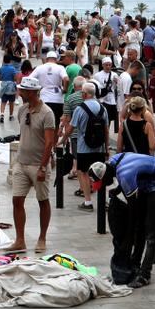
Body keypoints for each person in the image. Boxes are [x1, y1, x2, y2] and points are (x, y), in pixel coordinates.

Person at [94, 153, 155, 286]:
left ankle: (145, 275)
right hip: (146, 183)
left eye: (102, 182)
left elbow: (133, 211)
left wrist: (128, 240)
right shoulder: (113, 161)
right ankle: (135, 266)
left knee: (151, 232)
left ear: (106, 175)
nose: (103, 186)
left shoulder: (125, 174)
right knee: (139, 227)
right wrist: (118, 190)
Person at [9, 77, 56, 253]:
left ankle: (42, 238)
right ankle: (20, 240)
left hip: (38, 164)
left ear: (32, 92)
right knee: (16, 200)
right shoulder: (22, 110)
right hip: (21, 163)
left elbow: (49, 142)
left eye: (23, 90)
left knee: (42, 201)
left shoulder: (47, 113)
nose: (20, 93)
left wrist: (43, 167)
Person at [62, 82, 107, 212]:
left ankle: (88, 201)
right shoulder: (102, 108)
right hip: (99, 147)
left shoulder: (80, 109)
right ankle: (102, 200)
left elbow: (71, 127)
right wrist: (107, 147)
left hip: (84, 147)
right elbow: (106, 130)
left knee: (83, 172)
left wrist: (64, 139)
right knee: (100, 173)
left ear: (85, 94)